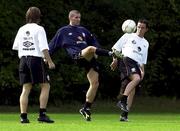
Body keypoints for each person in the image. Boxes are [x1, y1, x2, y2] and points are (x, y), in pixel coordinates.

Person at [49, 10, 113, 121]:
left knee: (95, 83)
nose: (78, 19)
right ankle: (111, 53)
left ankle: (86, 108)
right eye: (76, 17)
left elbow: (94, 41)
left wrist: (96, 51)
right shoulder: (63, 31)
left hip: (88, 57)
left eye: (79, 17)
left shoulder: (83, 30)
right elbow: (52, 46)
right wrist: (47, 58)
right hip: (77, 56)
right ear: (70, 18)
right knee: (90, 49)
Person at [12, 7, 55, 123]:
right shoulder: (39, 29)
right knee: (45, 85)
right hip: (36, 59)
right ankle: (42, 115)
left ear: (27, 16)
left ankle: (23, 117)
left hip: (23, 60)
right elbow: (44, 47)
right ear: (38, 17)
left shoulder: (21, 29)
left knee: (25, 89)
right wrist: (49, 61)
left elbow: (16, 46)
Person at [110, 18, 149, 122]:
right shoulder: (128, 35)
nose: (140, 29)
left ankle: (124, 115)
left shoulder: (146, 43)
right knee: (136, 79)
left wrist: (143, 71)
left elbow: (142, 60)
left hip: (135, 64)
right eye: (139, 26)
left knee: (133, 88)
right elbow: (115, 48)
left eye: (142, 27)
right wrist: (115, 60)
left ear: (146, 29)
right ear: (136, 26)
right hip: (126, 60)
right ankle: (122, 100)